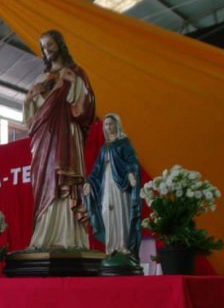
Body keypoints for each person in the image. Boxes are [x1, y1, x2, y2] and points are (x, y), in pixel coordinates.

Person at [24, 30, 96, 250]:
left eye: (50, 44)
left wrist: (74, 82)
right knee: (45, 179)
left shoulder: (76, 72)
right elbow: (31, 118)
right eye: (44, 46)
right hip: (44, 138)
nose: (47, 49)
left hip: (66, 133)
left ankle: (68, 236)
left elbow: (86, 107)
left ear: (60, 45)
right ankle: (44, 235)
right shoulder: (41, 79)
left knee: (64, 178)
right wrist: (29, 100)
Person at [84, 113, 142, 257]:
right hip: (106, 185)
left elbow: (132, 161)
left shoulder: (124, 143)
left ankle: (123, 245)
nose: (108, 127)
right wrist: (89, 182)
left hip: (120, 185)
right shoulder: (104, 148)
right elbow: (97, 168)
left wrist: (130, 173)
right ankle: (111, 247)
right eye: (106, 124)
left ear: (117, 125)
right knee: (106, 212)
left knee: (121, 212)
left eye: (111, 123)